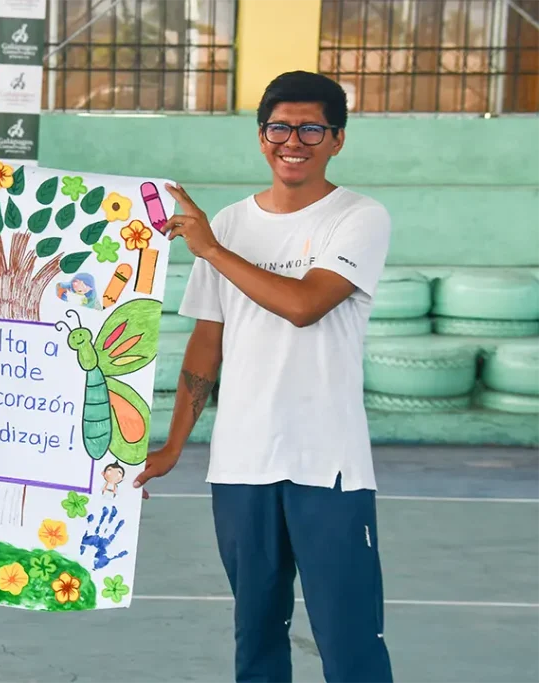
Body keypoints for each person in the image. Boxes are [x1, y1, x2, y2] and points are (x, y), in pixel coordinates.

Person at [133, 70, 395, 683]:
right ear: (261, 136)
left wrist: (214, 250)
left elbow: (305, 306)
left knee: (350, 643)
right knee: (257, 642)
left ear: (337, 139)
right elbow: (207, 340)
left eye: (311, 128)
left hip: (328, 467)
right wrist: (176, 442)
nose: (293, 141)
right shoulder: (227, 221)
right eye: (280, 127)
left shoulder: (358, 216)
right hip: (241, 465)